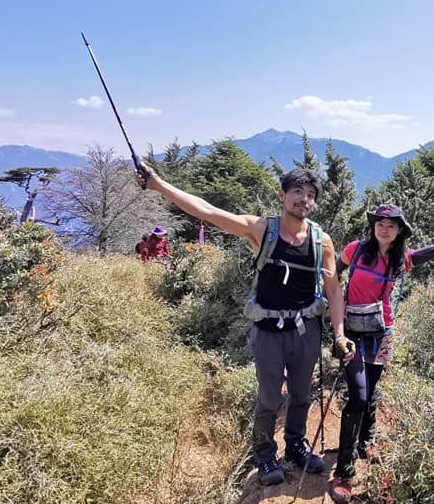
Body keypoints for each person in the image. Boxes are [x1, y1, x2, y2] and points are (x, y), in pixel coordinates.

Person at [135, 165, 355, 486]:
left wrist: (339, 334)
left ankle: (295, 445)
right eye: (297, 192)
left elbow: (334, 289)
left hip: (306, 330)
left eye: (310, 195)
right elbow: (208, 211)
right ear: (282, 195)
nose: (303, 200)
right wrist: (158, 185)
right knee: (269, 397)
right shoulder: (262, 229)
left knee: (300, 394)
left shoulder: (323, 242)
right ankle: (264, 456)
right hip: (267, 330)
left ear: (315, 203)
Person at [329, 204, 434, 504]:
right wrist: (329, 311)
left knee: (370, 392)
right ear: (373, 226)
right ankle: (344, 471)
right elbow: (333, 277)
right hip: (353, 333)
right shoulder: (355, 250)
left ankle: (366, 442)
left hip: (382, 334)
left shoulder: (399, 261)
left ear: (399, 232)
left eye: (391, 225)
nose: (384, 228)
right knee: (357, 396)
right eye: (380, 223)